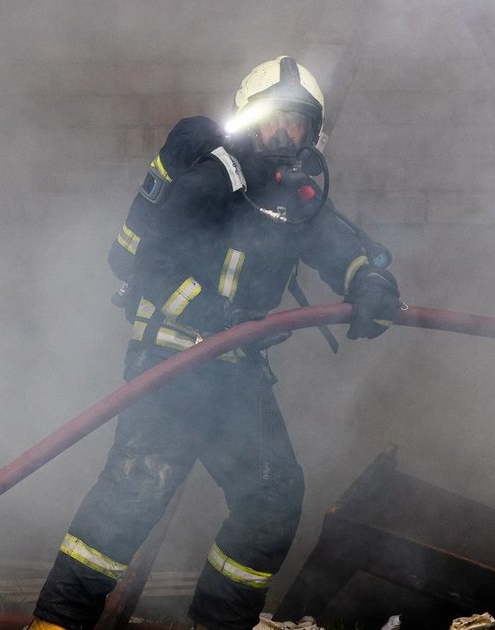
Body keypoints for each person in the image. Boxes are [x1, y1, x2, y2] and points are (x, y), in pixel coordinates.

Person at [30, 56, 402, 630]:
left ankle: (220, 622)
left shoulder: (295, 197)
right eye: (276, 121)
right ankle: (56, 624)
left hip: (231, 372)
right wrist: (215, 314)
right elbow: (151, 264)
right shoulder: (214, 175)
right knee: (132, 496)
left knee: (274, 496)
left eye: (298, 126)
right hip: (170, 362)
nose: (284, 136)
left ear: (312, 133)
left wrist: (367, 279)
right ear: (251, 116)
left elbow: (336, 242)